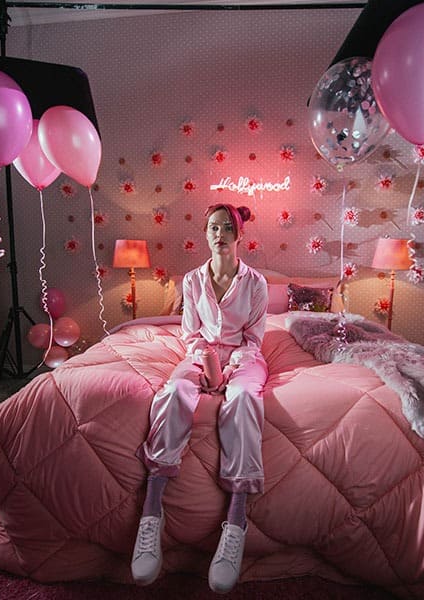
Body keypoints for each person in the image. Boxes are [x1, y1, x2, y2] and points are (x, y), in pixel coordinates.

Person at [131, 203, 269, 594]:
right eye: (213, 228)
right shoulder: (191, 281)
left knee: (243, 399)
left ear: (239, 234)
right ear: (206, 234)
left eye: (226, 227)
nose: (219, 234)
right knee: (174, 392)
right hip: (201, 355)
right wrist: (206, 363)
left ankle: (236, 521)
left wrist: (228, 370)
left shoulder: (256, 283)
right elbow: (190, 334)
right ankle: (151, 513)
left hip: (244, 357)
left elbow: (254, 339)